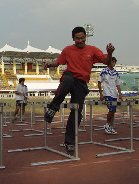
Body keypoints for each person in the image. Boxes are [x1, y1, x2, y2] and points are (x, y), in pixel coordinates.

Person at [44, 26, 115, 155]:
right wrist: (49, 64)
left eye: (82, 38)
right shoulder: (68, 50)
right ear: (73, 39)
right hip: (69, 77)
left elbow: (106, 61)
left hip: (81, 83)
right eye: (77, 38)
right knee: (68, 79)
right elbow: (58, 62)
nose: (80, 40)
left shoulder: (92, 50)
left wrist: (109, 53)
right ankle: (53, 108)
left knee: (77, 112)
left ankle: (69, 141)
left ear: (85, 37)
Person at [98, 57, 122, 134]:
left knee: (113, 111)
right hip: (107, 93)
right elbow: (99, 82)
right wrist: (101, 94)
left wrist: (120, 94)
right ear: (109, 62)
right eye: (112, 61)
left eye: (114, 62)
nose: (113, 63)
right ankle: (107, 124)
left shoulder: (116, 73)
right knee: (111, 110)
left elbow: (118, 84)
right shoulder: (104, 71)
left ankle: (110, 127)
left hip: (114, 94)